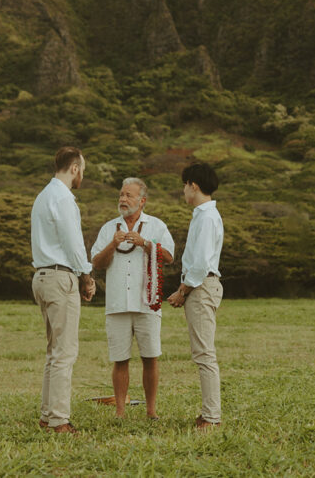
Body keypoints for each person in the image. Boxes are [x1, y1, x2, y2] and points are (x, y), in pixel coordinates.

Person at [90, 177, 175, 420]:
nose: (123, 199)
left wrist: (146, 243)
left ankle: (151, 411)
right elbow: (96, 263)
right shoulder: (109, 228)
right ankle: (120, 412)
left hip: (147, 301)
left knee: (150, 356)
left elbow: (169, 257)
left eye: (128, 195)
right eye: (121, 195)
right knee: (120, 359)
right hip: (117, 303)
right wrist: (111, 245)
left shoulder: (157, 226)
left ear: (142, 201)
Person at [31, 146, 96, 434]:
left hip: (42, 277)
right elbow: (73, 242)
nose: (82, 174)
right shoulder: (64, 198)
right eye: (82, 169)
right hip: (60, 277)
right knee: (64, 352)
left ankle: (48, 415)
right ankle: (58, 420)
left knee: (53, 350)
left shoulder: (43, 196)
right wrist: (87, 275)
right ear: (74, 168)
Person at [166, 162, 224, 430]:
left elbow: (199, 264)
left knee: (204, 353)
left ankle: (211, 417)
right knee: (203, 352)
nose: (184, 191)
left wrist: (182, 291)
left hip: (201, 287)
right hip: (201, 286)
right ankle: (209, 414)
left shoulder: (207, 217)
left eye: (185, 185)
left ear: (194, 185)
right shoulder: (204, 215)